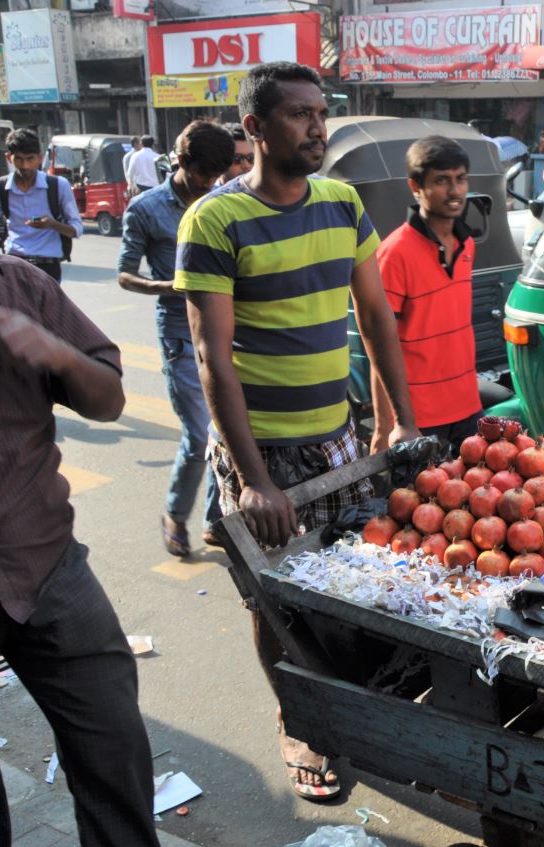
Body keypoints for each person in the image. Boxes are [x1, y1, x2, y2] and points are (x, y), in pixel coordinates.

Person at [175, 61, 421, 802]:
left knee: (348, 576)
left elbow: (374, 316)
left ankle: (343, 701)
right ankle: (295, 716)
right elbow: (210, 356)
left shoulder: (343, 204)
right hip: (264, 448)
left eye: (322, 112)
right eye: (299, 115)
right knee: (274, 598)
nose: (317, 127)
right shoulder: (213, 221)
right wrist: (253, 479)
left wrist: (394, 416)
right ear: (253, 128)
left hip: (337, 434)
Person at [0, 101, 160, 847]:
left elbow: (110, 397)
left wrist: (52, 353)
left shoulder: (20, 286)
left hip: (44, 559)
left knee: (113, 739)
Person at [117, 120, 232, 556]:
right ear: (181, 162)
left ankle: (215, 520)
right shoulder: (146, 208)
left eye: (217, 175)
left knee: (227, 427)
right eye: (204, 173)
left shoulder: (224, 200)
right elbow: (125, 274)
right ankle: (175, 512)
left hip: (226, 327)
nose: (210, 183)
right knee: (201, 432)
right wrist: (170, 286)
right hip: (180, 334)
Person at [372, 135, 481, 455]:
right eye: (442, 181)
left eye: (460, 179)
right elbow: (378, 345)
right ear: (415, 187)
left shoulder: (467, 244)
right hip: (417, 418)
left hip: (467, 406)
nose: (455, 191)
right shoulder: (394, 253)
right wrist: (383, 427)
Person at [0, 128, 81, 284]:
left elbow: (76, 229)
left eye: (30, 159)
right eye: (19, 159)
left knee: (46, 309)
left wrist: (52, 224)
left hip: (48, 266)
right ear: (9, 158)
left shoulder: (58, 186)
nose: (25, 166)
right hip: (13, 263)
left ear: (39, 158)